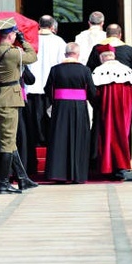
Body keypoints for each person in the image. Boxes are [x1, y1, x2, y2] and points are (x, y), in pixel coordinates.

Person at [0, 17, 38, 193]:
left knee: (8, 141)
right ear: (10, 35)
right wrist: (24, 41)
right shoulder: (13, 53)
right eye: (15, 34)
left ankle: (23, 179)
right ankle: (3, 183)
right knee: (8, 143)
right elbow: (32, 57)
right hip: (9, 100)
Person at [44, 42, 97, 184]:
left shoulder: (55, 70)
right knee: (78, 140)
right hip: (79, 108)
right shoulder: (85, 70)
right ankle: (77, 175)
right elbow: (92, 91)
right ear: (78, 54)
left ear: (65, 54)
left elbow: (47, 89)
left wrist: (55, 101)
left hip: (60, 108)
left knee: (59, 140)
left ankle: (59, 174)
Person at [22, 15, 65, 173]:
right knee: (49, 124)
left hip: (31, 88)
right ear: (53, 26)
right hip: (49, 88)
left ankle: (32, 160)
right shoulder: (60, 42)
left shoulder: (30, 41)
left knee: (32, 125)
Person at [91, 50, 132, 180]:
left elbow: (95, 94)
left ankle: (108, 167)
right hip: (124, 111)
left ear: (102, 58)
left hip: (107, 111)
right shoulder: (126, 70)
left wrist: (99, 107)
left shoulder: (99, 70)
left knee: (107, 137)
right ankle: (121, 167)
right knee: (123, 136)